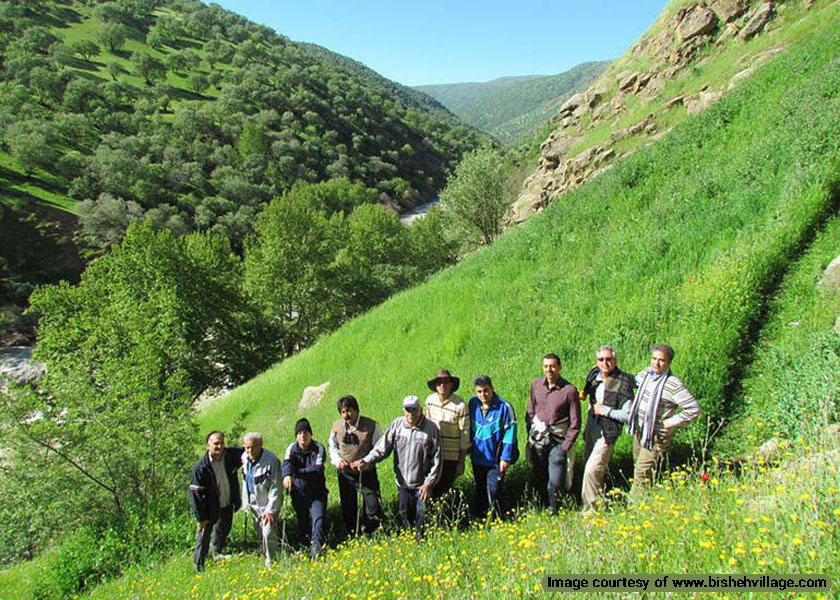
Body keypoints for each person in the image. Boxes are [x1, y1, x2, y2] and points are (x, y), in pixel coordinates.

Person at [355, 395, 441, 540]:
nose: (411, 414)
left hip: (422, 485)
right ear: (403, 410)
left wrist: (428, 484)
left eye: (414, 410)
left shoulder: (431, 429)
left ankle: (422, 546)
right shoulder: (397, 425)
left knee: (422, 521)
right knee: (405, 518)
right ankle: (409, 544)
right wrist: (367, 460)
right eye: (408, 410)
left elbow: (437, 459)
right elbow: (382, 447)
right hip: (402, 484)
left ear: (420, 410)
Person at [627, 344, 701, 494]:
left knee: (641, 471)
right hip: (640, 430)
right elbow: (633, 381)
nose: (657, 363)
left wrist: (671, 422)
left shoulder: (673, 384)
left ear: (669, 363)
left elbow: (694, 409)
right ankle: (649, 496)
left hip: (656, 436)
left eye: (661, 360)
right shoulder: (647, 374)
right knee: (639, 467)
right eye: (654, 359)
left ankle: (635, 508)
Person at [580, 346, 636, 511]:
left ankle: (591, 510)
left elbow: (628, 416)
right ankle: (599, 497)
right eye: (601, 360)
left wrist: (605, 411)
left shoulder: (623, 382)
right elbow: (587, 392)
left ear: (615, 361)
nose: (605, 363)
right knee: (591, 466)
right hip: (592, 427)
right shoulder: (594, 376)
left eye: (609, 359)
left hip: (608, 432)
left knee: (592, 470)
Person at [526, 353, 581, 514]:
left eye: (552, 366)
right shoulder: (536, 385)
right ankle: (542, 505)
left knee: (556, 480)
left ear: (559, 367)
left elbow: (575, 421)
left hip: (558, 441)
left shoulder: (569, 390)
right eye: (546, 366)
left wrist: (566, 445)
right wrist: (531, 432)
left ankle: (555, 508)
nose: (549, 370)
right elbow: (530, 410)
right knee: (539, 474)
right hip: (539, 439)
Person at [328, 395, 383, 537]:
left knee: (372, 504)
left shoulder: (371, 426)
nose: (347, 415)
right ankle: (352, 533)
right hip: (345, 474)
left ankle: (372, 533)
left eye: (349, 411)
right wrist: (338, 461)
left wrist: (366, 461)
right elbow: (332, 447)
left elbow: (379, 447)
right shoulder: (336, 427)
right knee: (348, 506)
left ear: (357, 410)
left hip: (366, 472)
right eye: (343, 412)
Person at [189, 431, 244, 573]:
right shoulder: (200, 467)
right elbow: (195, 494)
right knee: (204, 535)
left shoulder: (231, 456)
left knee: (225, 528)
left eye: (222, 443)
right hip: (209, 507)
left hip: (227, 502)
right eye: (216, 444)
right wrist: (201, 518)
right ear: (208, 446)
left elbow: (249, 450)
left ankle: (217, 552)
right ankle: (199, 566)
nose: (219, 446)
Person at [468, 375, 518, 519]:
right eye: (479, 391)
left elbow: (511, 433)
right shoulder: (472, 404)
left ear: (492, 388)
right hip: (478, 458)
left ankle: (499, 518)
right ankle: (481, 518)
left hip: (496, 459)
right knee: (480, 489)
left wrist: (506, 457)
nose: (483, 395)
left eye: (486, 390)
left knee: (494, 489)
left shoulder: (504, 407)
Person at [282, 418, 328, 558]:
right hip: (298, 493)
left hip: (317, 493)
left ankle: (317, 552)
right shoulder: (291, 449)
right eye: (300, 433)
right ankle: (303, 547)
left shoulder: (318, 448)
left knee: (318, 520)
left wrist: (296, 473)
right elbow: (286, 464)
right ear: (296, 436)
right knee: (302, 520)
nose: (303, 436)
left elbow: (317, 469)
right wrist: (287, 476)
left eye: (306, 432)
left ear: (311, 434)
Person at [424, 369, 470, 498]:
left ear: (451, 385)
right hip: (432, 453)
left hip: (450, 455)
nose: (442, 386)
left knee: (444, 489)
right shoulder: (430, 401)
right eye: (439, 383)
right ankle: (432, 516)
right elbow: (426, 426)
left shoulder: (460, 405)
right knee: (430, 488)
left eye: (446, 382)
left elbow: (464, 434)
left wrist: (461, 461)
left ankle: (446, 516)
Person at [242, 432, 283, 567]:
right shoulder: (244, 459)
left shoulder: (271, 461)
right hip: (253, 503)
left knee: (268, 531)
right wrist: (245, 503)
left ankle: (272, 561)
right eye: (247, 447)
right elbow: (245, 482)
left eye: (252, 447)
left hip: (267, 504)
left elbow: (276, 487)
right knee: (261, 533)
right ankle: (268, 555)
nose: (249, 451)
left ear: (260, 446)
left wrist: (271, 510)